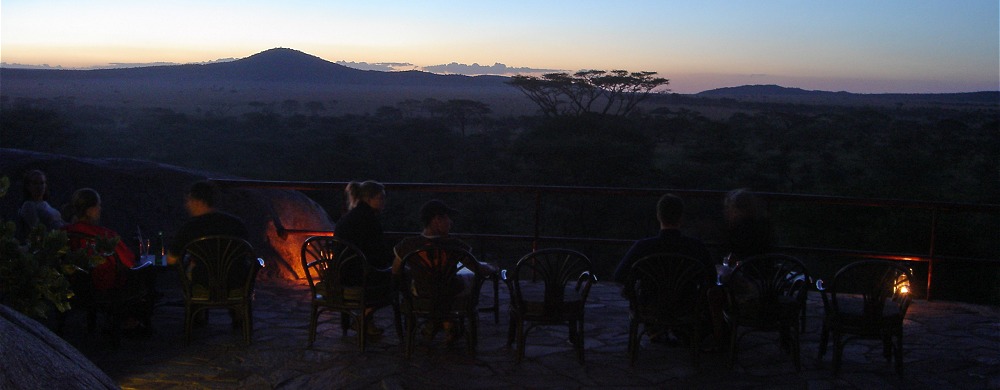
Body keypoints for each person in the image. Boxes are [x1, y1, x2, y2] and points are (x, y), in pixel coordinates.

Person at [612, 193, 725, 349]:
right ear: (681, 217)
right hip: (686, 306)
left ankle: (655, 329)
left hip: (650, 307)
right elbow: (711, 279)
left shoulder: (643, 247)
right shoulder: (696, 247)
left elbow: (619, 276)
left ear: (659, 216)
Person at [392, 199, 496, 343]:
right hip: (450, 293)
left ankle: (435, 323)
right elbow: (478, 269)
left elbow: (396, 271)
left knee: (430, 285)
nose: (450, 223)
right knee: (466, 280)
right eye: (447, 218)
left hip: (422, 294)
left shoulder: (407, 245)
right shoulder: (455, 246)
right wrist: (492, 268)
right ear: (436, 220)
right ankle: (448, 323)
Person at [333, 180, 393, 336]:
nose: (384, 202)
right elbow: (377, 253)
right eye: (381, 198)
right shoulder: (369, 220)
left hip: (340, 274)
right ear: (369, 199)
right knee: (397, 280)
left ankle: (366, 321)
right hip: (357, 276)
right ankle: (363, 317)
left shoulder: (348, 217)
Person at [167, 181, 251, 283]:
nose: (186, 205)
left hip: (204, 281)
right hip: (236, 281)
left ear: (197, 201)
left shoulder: (190, 227)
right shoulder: (237, 224)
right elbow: (246, 254)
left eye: (188, 201)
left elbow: (171, 260)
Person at [63, 188, 137, 292]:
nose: (100, 209)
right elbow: (129, 262)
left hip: (72, 291)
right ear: (89, 211)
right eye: (98, 205)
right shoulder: (105, 235)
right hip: (106, 292)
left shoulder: (63, 233)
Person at [722, 188, 776, 262]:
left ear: (737, 210)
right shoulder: (763, 225)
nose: (726, 212)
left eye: (729, 208)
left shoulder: (739, 230)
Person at [18, 170, 66, 234]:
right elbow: (37, 230)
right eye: (35, 183)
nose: (39, 187)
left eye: (42, 183)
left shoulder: (45, 204)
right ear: (28, 186)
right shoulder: (29, 205)